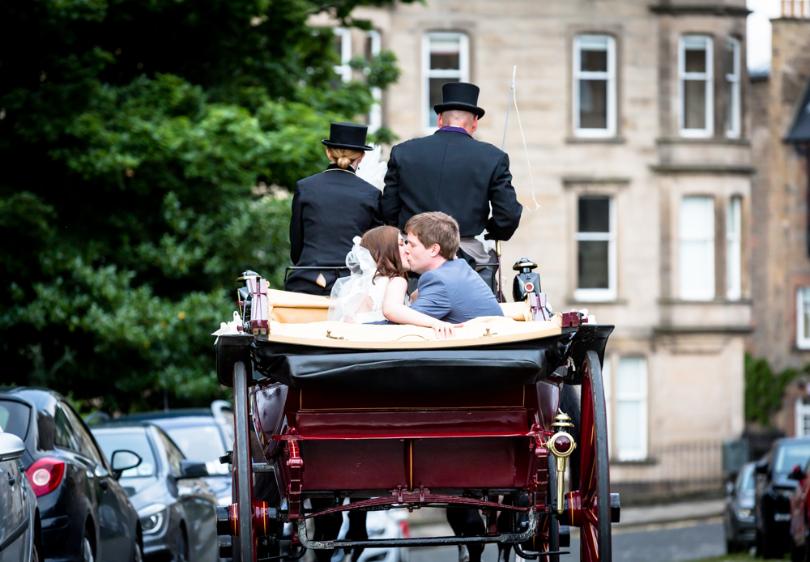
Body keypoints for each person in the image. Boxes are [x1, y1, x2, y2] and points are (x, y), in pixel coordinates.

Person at [402, 211, 502, 562]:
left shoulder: (438, 282)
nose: (405, 249)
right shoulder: (458, 270)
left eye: (410, 243)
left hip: (473, 392)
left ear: (433, 249)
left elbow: (393, 330)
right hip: (492, 383)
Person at [382, 82, 523, 277]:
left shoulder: (403, 152)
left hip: (414, 256)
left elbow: (388, 208)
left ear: (439, 119)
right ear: (474, 122)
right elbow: (508, 214)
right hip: (466, 256)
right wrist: (493, 231)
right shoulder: (493, 157)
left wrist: (408, 234)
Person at [286, 122, 382, 295]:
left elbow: (296, 245)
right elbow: (373, 248)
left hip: (307, 280)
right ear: (361, 156)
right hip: (351, 285)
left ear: (328, 152)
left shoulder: (305, 187)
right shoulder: (371, 194)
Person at [329, 225, 457, 337]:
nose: (407, 249)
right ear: (387, 251)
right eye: (401, 244)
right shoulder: (396, 281)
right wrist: (435, 323)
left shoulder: (368, 281)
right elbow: (393, 311)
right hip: (376, 340)